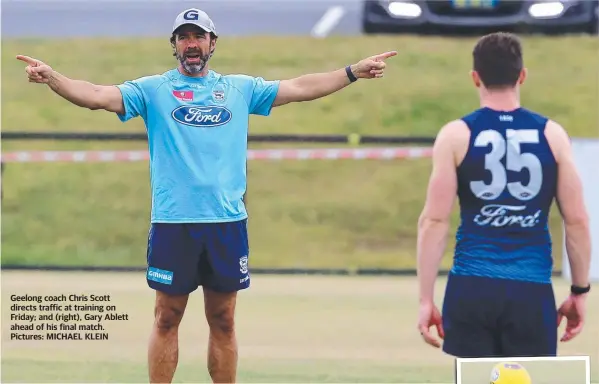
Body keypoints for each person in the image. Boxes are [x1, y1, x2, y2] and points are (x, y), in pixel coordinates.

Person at [16, 8, 396, 384]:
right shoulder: (153, 90)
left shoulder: (239, 89)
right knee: (167, 317)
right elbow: (97, 95)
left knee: (224, 319)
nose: (191, 44)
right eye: (184, 37)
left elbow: (299, 87)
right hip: (173, 223)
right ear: (174, 46)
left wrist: (351, 73)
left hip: (226, 224)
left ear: (213, 44)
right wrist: (54, 78)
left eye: (198, 36)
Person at [415, 32, 591, 358]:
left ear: (475, 78)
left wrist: (426, 299)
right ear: (522, 76)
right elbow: (577, 219)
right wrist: (579, 291)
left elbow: (434, 221)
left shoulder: (456, 135)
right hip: (530, 290)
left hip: (471, 287)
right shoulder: (552, 135)